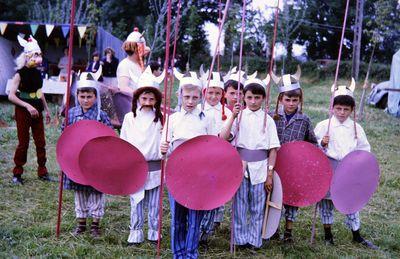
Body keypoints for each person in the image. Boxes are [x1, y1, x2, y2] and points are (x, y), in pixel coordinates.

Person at [314, 79, 377, 249]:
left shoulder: (356, 128)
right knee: (326, 203)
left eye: (346, 109)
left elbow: (365, 149)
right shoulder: (323, 126)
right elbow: (313, 147)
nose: (341, 112)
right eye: (338, 108)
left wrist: (359, 164)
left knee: (351, 202)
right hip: (329, 168)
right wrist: (322, 143)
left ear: (351, 110)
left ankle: (356, 234)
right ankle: (328, 235)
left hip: (349, 170)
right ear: (332, 108)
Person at [220, 77, 280, 249]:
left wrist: (269, 173)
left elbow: (273, 149)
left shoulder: (267, 120)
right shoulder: (238, 117)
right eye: (249, 97)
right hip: (240, 166)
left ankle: (254, 240)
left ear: (263, 98)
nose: (253, 102)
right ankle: (239, 239)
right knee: (240, 205)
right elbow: (224, 138)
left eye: (257, 98)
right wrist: (233, 115)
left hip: (260, 168)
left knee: (257, 205)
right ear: (243, 97)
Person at [160, 70, 213, 258]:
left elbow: (212, 144)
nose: (190, 101)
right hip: (177, 172)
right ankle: (178, 253)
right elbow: (163, 145)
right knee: (177, 217)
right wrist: (164, 147)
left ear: (201, 97)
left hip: (198, 174)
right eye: (187, 96)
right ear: (179, 95)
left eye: (195, 97)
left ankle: (191, 252)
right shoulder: (172, 119)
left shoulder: (206, 118)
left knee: (195, 216)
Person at [62, 68, 112, 238]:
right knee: (80, 192)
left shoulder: (101, 116)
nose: (85, 100)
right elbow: (65, 135)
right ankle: (81, 223)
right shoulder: (72, 114)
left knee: (96, 192)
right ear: (77, 96)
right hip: (76, 161)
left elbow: (110, 137)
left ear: (95, 96)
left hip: (96, 161)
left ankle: (95, 225)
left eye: (89, 96)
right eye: (82, 96)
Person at [270, 66, 318, 243]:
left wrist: (312, 153)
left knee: (292, 197)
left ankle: (288, 230)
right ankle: (272, 227)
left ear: (300, 100)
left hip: (294, 166)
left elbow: (312, 142)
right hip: (275, 164)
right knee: (275, 195)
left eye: (295, 100)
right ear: (281, 99)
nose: (291, 103)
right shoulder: (272, 116)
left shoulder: (304, 120)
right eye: (288, 99)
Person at [120, 66, 164, 245]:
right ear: (137, 98)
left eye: (151, 98)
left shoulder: (161, 118)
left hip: (155, 167)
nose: (147, 101)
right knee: (136, 202)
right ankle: (136, 232)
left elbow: (165, 139)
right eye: (144, 97)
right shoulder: (129, 118)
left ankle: (154, 232)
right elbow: (123, 141)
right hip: (136, 166)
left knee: (154, 204)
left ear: (156, 100)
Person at [8, 35, 52, 185]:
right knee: (23, 143)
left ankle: (42, 171)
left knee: (40, 141)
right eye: (35, 55)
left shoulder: (38, 72)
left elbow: (39, 92)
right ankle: (17, 173)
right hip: (23, 111)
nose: (38, 57)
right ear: (27, 56)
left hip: (37, 110)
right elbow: (11, 96)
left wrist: (46, 109)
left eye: (39, 54)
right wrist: (27, 106)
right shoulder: (19, 74)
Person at [197, 71, 232, 245]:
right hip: (200, 158)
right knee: (200, 192)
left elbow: (227, 135)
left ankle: (207, 230)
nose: (213, 96)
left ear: (222, 94)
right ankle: (196, 227)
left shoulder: (226, 112)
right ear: (204, 93)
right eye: (210, 92)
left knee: (214, 193)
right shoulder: (198, 110)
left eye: (217, 93)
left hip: (218, 158)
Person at [116, 27, 150, 95]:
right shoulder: (125, 65)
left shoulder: (138, 64)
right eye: (142, 48)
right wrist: (142, 95)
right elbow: (123, 88)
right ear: (136, 50)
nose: (145, 51)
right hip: (131, 103)